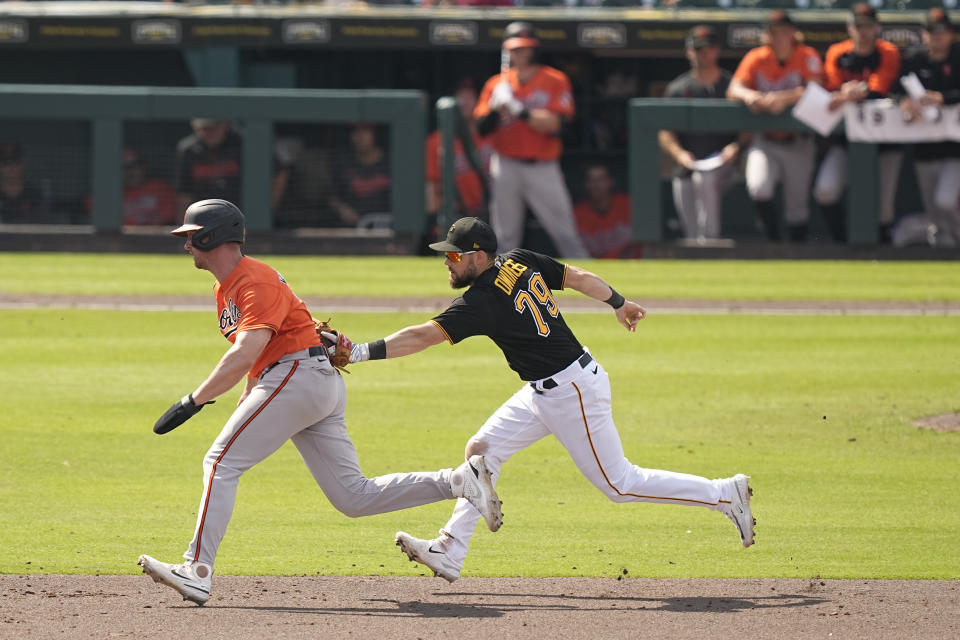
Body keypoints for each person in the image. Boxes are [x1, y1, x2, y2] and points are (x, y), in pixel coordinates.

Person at [333, 217, 755, 583]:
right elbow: (578, 277)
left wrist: (360, 351)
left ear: (479, 257)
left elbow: (422, 336)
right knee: (481, 453)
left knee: (620, 484)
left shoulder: (482, 301)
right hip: (546, 388)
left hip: (571, 392)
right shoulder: (520, 259)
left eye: (455, 254)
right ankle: (450, 548)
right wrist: (619, 302)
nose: (447, 260)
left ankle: (723, 494)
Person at [137, 200, 502, 606]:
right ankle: (459, 481)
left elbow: (246, 350)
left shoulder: (254, 280)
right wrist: (248, 397)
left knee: (220, 463)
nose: (186, 245)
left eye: (190, 237)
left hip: (297, 377)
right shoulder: (228, 284)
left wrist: (194, 400)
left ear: (210, 236)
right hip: (304, 380)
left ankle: (196, 571)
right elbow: (257, 357)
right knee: (353, 496)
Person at [474, 21, 589, 258]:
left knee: (566, 234)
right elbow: (481, 129)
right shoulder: (497, 84)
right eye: (514, 48)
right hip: (506, 164)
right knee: (504, 238)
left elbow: (558, 125)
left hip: (543, 166)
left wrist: (519, 109)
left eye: (524, 48)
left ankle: (590, 285)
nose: (519, 53)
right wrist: (496, 109)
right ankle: (499, 289)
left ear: (534, 49)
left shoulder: (554, 79)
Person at [727, 11, 824, 242]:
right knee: (759, 188)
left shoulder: (806, 55)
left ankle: (797, 256)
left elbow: (816, 90)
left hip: (798, 140)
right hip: (766, 139)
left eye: (783, 31)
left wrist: (783, 98)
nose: (778, 36)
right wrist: (751, 96)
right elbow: (733, 89)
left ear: (793, 33)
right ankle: (773, 243)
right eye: (773, 32)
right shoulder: (757, 57)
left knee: (797, 208)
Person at [814, 3, 902, 243]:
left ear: (877, 28)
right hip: (846, 141)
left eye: (869, 26)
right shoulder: (837, 52)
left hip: (885, 142)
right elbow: (830, 89)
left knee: (883, 210)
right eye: (859, 26)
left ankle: (884, 259)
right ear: (850, 28)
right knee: (825, 190)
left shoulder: (888, 51)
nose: (863, 31)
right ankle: (842, 243)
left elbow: (878, 89)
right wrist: (844, 93)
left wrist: (850, 94)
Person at [660, 25, 742, 242]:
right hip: (690, 161)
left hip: (727, 162)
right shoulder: (678, 89)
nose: (703, 54)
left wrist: (736, 146)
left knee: (704, 180)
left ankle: (710, 242)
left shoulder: (732, 85)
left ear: (717, 50)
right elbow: (665, 131)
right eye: (698, 49)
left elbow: (748, 127)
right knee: (686, 184)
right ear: (689, 51)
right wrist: (679, 154)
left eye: (708, 48)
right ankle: (694, 246)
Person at [896, 7, 960, 246]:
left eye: (942, 31)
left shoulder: (957, 57)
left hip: (954, 146)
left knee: (945, 200)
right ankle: (945, 247)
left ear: (951, 33)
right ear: (924, 34)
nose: (937, 36)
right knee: (933, 206)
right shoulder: (914, 59)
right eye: (932, 31)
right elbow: (896, 90)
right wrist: (905, 102)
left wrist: (943, 98)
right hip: (924, 146)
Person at [424, 78, 493, 250]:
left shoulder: (491, 137)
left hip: (489, 210)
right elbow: (431, 183)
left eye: (470, 97)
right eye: (460, 97)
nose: (465, 102)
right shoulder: (435, 141)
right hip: (455, 214)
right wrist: (434, 216)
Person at [175, 118, 290, 215]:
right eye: (203, 129)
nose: (208, 133)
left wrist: (266, 210)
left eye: (212, 128)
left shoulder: (246, 143)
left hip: (242, 216)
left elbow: (279, 173)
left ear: (224, 124)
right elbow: (185, 192)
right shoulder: (189, 149)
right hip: (204, 218)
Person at [572, 162, 638, 258]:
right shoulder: (577, 213)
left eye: (601, 179)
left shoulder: (629, 205)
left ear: (611, 182)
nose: (596, 185)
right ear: (585, 184)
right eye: (591, 180)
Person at [122, 148, 178, 226]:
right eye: (125, 167)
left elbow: (169, 219)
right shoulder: (115, 194)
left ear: (144, 166)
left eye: (135, 165)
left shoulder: (160, 188)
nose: (131, 172)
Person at [0, 141, 47, 224]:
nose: (11, 167)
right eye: (5, 162)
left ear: (23, 164)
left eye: (15, 161)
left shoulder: (34, 195)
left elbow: (42, 226)